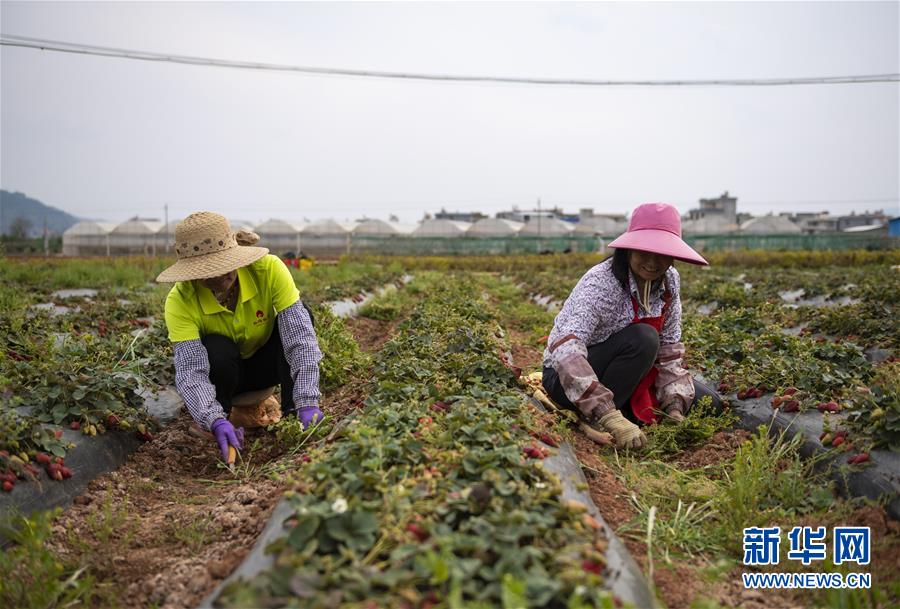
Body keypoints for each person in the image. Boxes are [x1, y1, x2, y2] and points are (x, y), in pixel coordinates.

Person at [541, 202, 721, 450]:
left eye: (662, 253)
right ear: (628, 250)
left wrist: (675, 406)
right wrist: (607, 413)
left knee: (710, 404)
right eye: (644, 251)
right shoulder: (601, 283)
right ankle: (603, 417)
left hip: (631, 370)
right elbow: (566, 350)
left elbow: (669, 348)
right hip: (567, 379)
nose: (653, 262)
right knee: (644, 338)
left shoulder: (669, 282)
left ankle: (630, 407)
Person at [157, 211, 323, 463]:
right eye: (207, 272)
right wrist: (212, 418)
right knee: (216, 347)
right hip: (223, 380)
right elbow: (191, 371)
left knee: (300, 316)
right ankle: (221, 421)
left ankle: (293, 413)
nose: (220, 276)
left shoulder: (268, 269)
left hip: (267, 367)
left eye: (225, 265)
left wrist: (308, 399)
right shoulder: (180, 300)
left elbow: (300, 339)